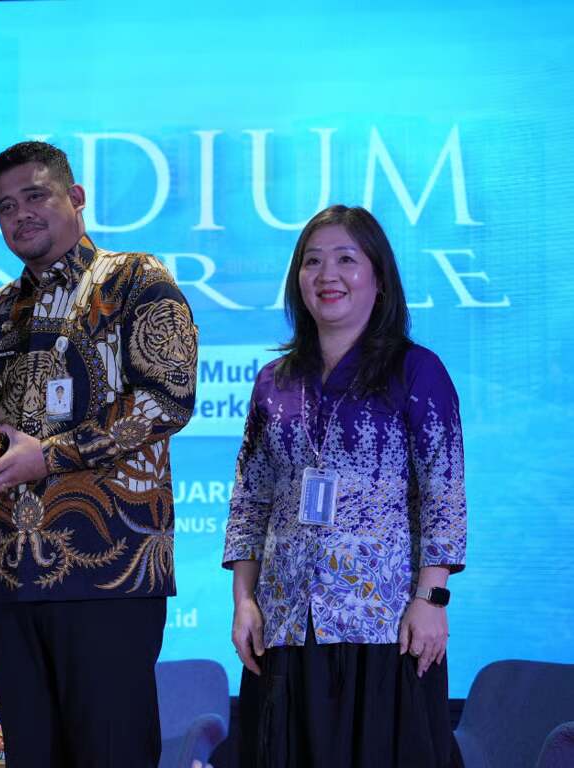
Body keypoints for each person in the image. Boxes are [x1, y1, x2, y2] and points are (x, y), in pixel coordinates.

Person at [0, 141, 198, 767]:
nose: (20, 214)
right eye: (5, 206)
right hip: (10, 574)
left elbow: (170, 397)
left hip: (109, 572)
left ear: (76, 197)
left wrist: (50, 457)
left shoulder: (135, 278)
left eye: (35, 196)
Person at [222, 205, 466, 768]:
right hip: (286, 622)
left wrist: (431, 599)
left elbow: (445, 493)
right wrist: (243, 602)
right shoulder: (273, 382)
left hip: (383, 623)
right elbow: (250, 499)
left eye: (346, 260)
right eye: (312, 262)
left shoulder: (416, 370)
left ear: (379, 280)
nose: (326, 275)